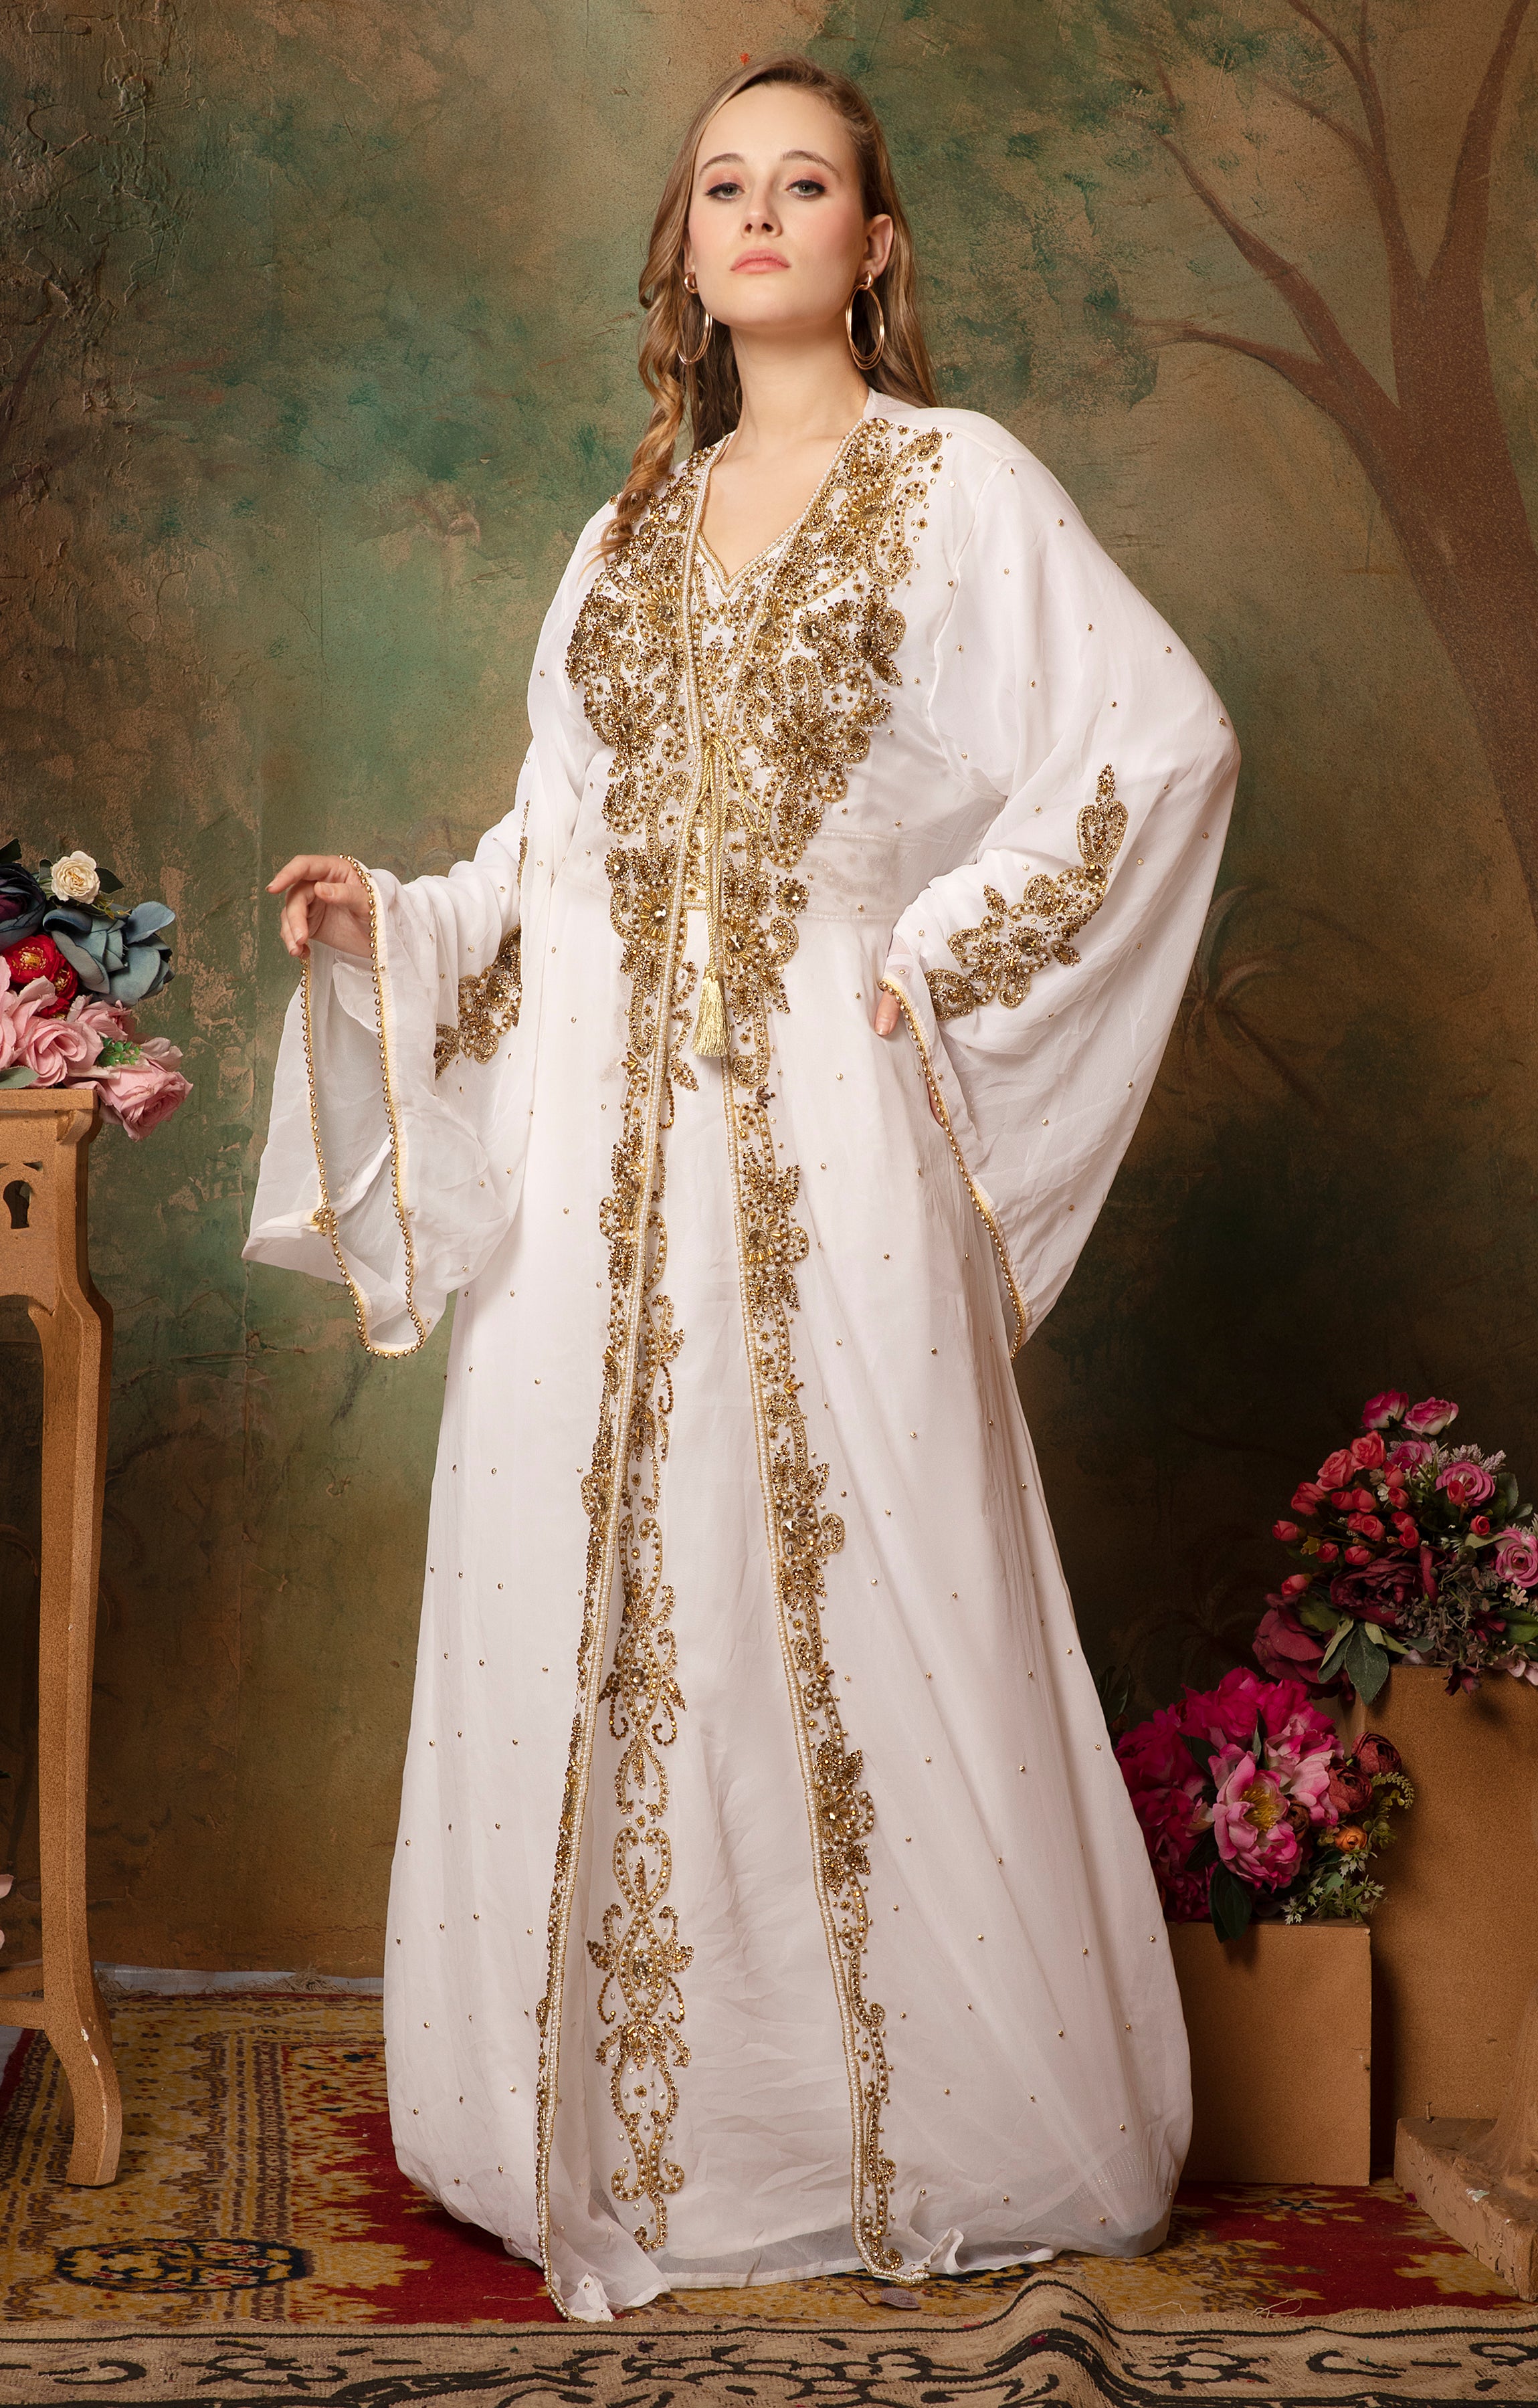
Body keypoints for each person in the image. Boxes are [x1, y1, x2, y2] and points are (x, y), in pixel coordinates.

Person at [245, 52, 1239, 2323]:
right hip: (599, 1146)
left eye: (810, 184)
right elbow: (557, 852)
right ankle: (589, 2115)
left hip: (824, 1132)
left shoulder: (958, 483)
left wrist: (946, 943)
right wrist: (399, 928)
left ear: (876, 249)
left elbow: (1154, 740)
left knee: (857, 1553)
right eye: (726, 186)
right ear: (683, 252)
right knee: (592, 1553)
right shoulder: (622, 534)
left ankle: (915, 2123)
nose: (764, 215)